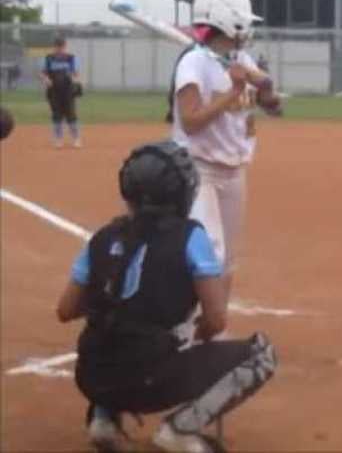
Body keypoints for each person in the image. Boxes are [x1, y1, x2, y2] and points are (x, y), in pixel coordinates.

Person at [55, 140, 277, 453]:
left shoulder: (103, 237)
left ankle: (103, 420)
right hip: (149, 382)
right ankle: (179, 430)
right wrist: (192, 335)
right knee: (262, 354)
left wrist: (110, 296)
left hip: (90, 376)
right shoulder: (190, 236)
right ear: (182, 193)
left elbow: (65, 310)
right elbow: (215, 319)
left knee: (110, 328)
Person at [171, 0, 282, 303]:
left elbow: (275, 110)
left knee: (228, 260)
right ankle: (185, 328)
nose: (249, 29)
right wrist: (234, 91)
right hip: (198, 170)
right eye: (245, 21)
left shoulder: (240, 59)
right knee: (210, 256)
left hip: (235, 171)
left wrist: (266, 90)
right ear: (229, 19)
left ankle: (213, 331)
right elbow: (190, 122)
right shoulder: (193, 63)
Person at [40, 37, 82, 148]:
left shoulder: (71, 58)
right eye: (57, 47)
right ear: (54, 47)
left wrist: (75, 80)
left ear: (65, 46)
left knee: (71, 115)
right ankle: (58, 140)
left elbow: (76, 73)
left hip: (68, 91)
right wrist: (46, 79)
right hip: (54, 91)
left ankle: (76, 139)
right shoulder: (48, 58)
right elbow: (43, 73)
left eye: (61, 47)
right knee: (56, 116)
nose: (59, 49)